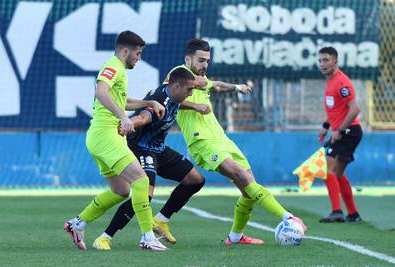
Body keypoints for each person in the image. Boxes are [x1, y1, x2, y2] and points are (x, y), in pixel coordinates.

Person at [163, 39, 306, 245]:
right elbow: (165, 96)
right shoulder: (178, 74)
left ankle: (235, 237)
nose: (205, 65)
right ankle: (287, 217)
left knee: (249, 187)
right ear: (188, 59)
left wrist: (237, 86)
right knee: (240, 175)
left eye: (207, 61)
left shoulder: (201, 77)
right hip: (202, 141)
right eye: (200, 60)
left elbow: (217, 86)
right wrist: (194, 106)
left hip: (221, 138)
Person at [63, 30, 168, 251]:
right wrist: (122, 117)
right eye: (138, 53)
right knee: (141, 181)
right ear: (126, 50)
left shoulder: (119, 69)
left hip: (102, 137)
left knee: (121, 190)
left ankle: (77, 224)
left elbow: (119, 100)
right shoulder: (113, 66)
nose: (139, 57)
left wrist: (148, 104)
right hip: (105, 135)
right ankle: (147, 237)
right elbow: (101, 92)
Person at [92, 68, 205, 250]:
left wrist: (194, 106)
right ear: (176, 86)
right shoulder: (159, 101)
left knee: (196, 180)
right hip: (142, 149)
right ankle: (105, 237)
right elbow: (144, 117)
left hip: (159, 149)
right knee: (145, 194)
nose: (191, 93)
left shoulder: (174, 95)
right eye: (189, 90)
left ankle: (160, 220)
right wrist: (129, 124)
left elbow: (176, 103)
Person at [317, 47, 363, 223]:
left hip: (349, 132)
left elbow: (355, 109)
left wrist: (339, 131)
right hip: (344, 131)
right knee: (337, 173)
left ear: (335, 61)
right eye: (320, 60)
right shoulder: (330, 81)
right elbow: (336, 110)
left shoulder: (342, 82)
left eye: (326, 60)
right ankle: (352, 214)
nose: (322, 64)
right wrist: (325, 126)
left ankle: (337, 212)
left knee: (328, 169)